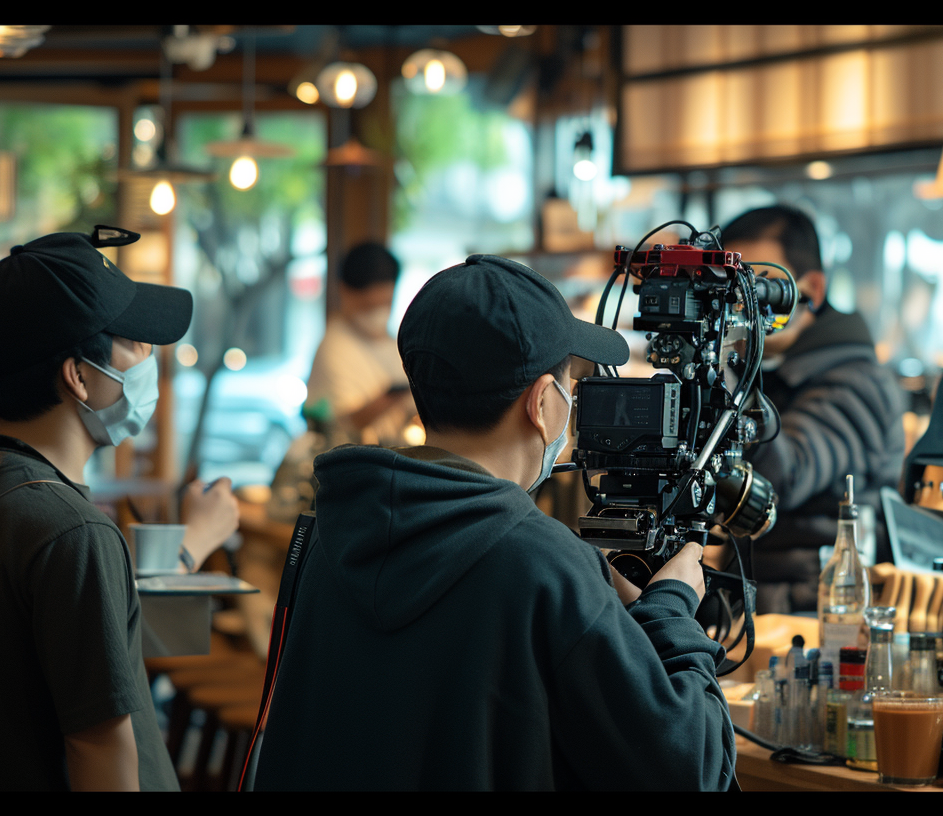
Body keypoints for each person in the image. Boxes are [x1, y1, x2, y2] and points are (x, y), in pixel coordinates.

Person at [254, 255, 736, 791]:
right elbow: (690, 767)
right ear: (544, 404)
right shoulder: (543, 563)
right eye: (571, 384)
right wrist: (670, 608)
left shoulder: (335, 529)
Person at [0, 227, 239, 791]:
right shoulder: (72, 532)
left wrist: (191, 543)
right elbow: (100, 751)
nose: (148, 359)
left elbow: (82, 627)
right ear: (78, 376)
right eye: (133, 343)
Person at [720, 206, 907, 614]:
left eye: (758, 286)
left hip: (814, 617)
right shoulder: (782, 372)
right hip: (758, 605)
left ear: (812, 290)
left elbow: (786, 476)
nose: (737, 303)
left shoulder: (858, 383)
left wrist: (725, 368)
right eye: (729, 285)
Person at [304, 241, 412, 446]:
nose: (377, 315)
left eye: (385, 304)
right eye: (368, 307)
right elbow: (344, 423)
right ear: (344, 291)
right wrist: (394, 395)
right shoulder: (335, 348)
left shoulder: (392, 341)